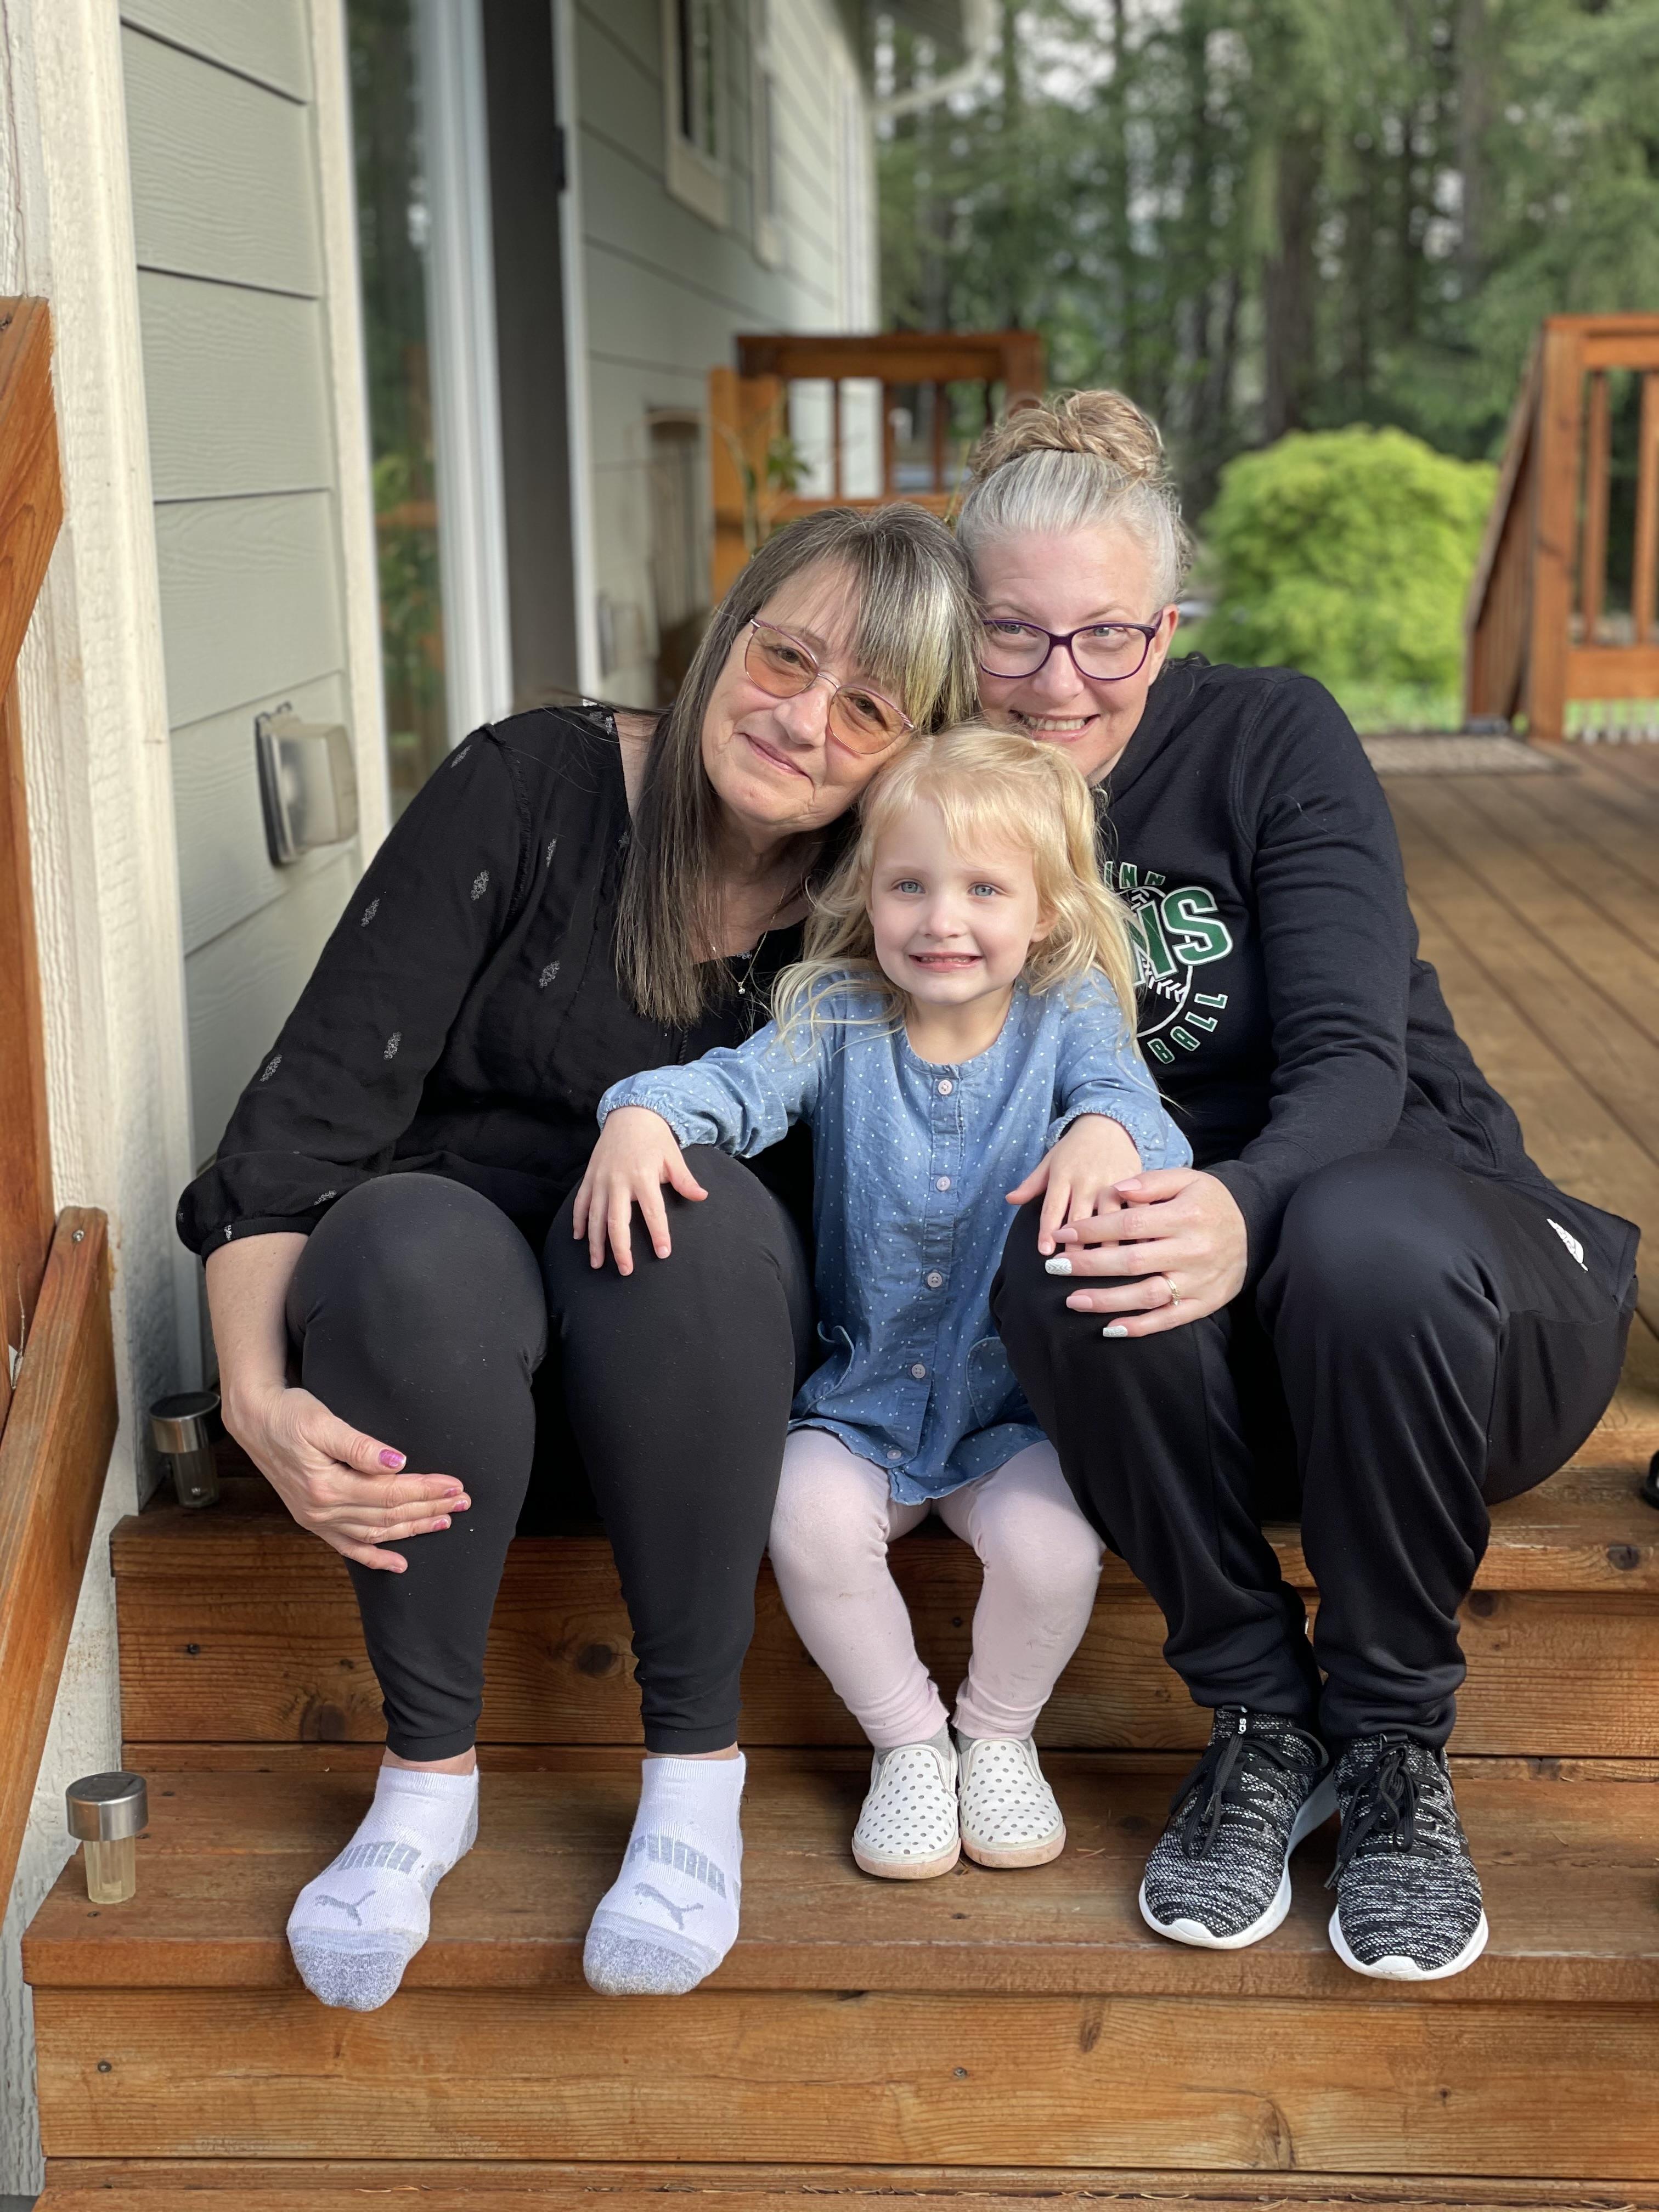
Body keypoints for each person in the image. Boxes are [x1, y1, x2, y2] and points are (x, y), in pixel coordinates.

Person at [174, 505, 983, 2010]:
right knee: (402, 1237)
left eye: (866, 708)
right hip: (437, 1394)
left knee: (690, 1208)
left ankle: (693, 1781)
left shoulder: (904, 904)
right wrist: (253, 1400)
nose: (801, 718)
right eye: (783, 657)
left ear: (912, 752)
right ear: (724, 638)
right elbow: (296, 1132)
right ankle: (424, 1784)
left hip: (693, 1420)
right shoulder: (530, 787)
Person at [960, 391, 1640, 1982]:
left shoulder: (1270, 737)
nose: (1061, 683)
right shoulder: (946, 792)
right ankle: (1266, 1717)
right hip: (1208, 1388)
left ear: (1166, 626)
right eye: (1014, 636)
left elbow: (1351, 1067)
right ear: (961, 627)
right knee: (1064, 1242)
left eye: (1107, 637)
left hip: (1451, 1315)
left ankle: (1396, 1743)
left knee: (1352, 1228)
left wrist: (1237, 1200)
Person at [577, 726, 1187, 1936]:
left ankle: (996, 1735)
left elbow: (1133, 1104)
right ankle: (909, 1741)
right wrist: (644, 1115)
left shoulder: (1067, 1014)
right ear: (868, 893)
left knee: (1057, 1549)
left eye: (984, 890)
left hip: (1011, 1411)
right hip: (861, 1401)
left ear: (1046, 911)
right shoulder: (838, 1015)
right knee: (803, 1521)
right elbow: (735, 1089)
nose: (941, 920)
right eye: (910, 884)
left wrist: (1106, 1133)